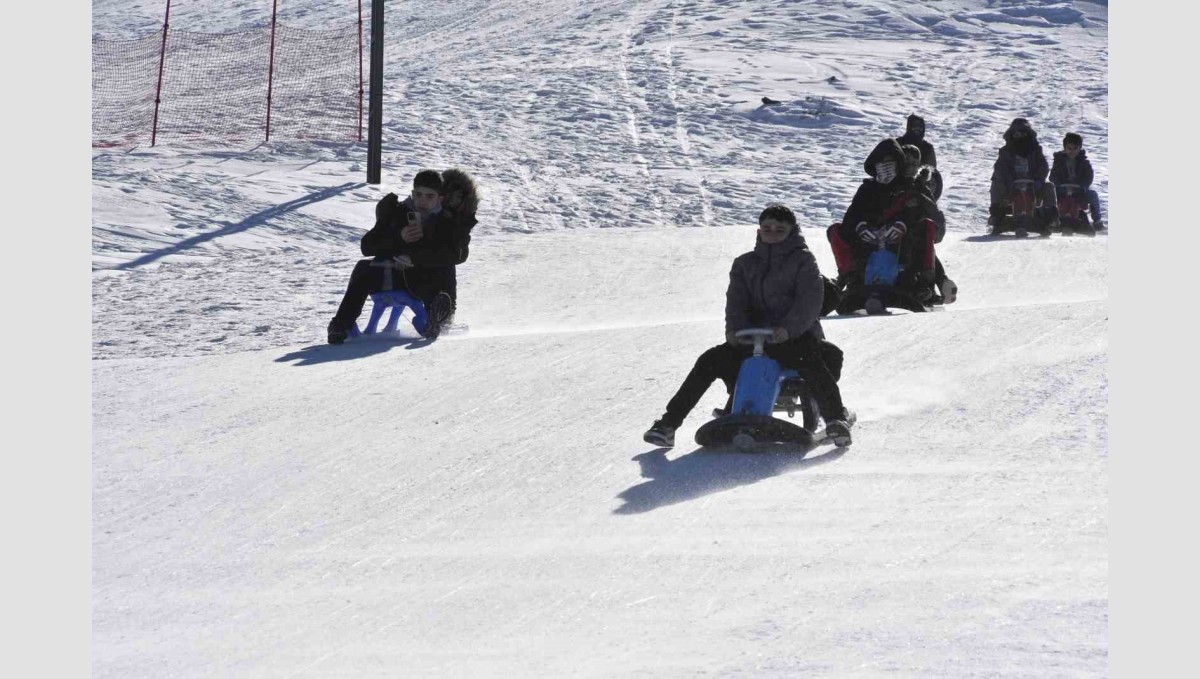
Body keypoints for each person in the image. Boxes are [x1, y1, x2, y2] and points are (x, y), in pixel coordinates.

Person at [643, 204, 853, 448]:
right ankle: (668, 425)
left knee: (810, 360)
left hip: (793, 337)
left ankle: (836, 421)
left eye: (779, 230)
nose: (772, 233)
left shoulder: (804, 261)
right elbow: (736, 301)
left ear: (792, 232)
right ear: (759, 231)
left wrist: (787, 329)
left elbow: (809, 302)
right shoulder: (745, 264)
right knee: (710, 359)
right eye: (767, 229)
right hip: (751, 338)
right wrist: (734, 330)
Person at [326, 169, 477, 344]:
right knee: (363, 267)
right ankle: (340, 325)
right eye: (418, 195)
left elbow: (458, 255)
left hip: (426, 281)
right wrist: (398, 237)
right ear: (412, 193)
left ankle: (440, 321)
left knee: (446, 266)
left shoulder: (447, 221)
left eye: (429, 196)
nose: (422, 201)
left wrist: (415, 258)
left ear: (440, 198)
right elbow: (367, 246)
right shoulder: (397, 212)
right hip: (393, 276)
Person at [829, 138, 945, 307]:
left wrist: (901, 225)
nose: (885, 166)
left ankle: (920, 282)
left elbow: (919, 214)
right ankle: (852, 276)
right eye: (881, 162)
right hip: (867, 244)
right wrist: (861, 226)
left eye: (890, 162)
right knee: (834, 231)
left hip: (901, 248)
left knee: (924, 226)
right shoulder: (867, 189)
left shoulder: (910, 188)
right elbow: (851, 217)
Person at [988, 118, 1057, 235]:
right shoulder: (1005, 152)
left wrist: (1039, 180)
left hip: (1034, 186)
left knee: (1049, 187)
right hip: (1010, 187)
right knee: (996, 185)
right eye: (1015, 133)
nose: (1018, 136)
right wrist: (1007, 180)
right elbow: (999, 169)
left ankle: (1050, 219)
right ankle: (997, 216)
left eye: (1022, 133)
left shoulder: (1036, 151)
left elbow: (1043, 167)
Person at [1050, 132, 1105, 231]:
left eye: (1075, 148)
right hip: (1061, 191)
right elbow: (1053, 176)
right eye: (1069, 148)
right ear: (1065, 148)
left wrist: (1083, 186)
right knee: (1050, 195)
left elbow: (1089, 176)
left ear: (1079, 148)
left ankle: (1097, 220)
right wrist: (1058, 184)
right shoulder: (1059, 161)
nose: (1072, 151)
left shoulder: (1084, 162)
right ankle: (1052, 219)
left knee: (1093, 195)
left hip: (1079, 191)